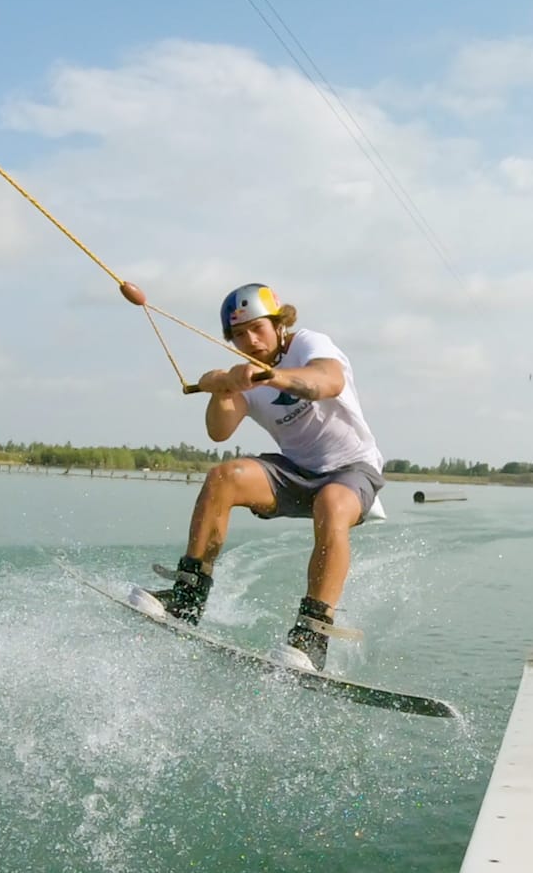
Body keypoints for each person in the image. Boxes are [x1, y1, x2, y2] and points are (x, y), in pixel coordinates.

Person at [146, 283, 385, 672]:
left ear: (279, 325)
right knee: (225, 476)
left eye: (258, 328)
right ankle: (187, 598)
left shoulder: (308, 344)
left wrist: (270, 377)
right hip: (294, 473)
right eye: (239, 335)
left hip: (352, 469)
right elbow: (218, 431)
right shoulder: (243, 374)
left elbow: (328, 382)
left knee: (331, 502)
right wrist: (222, 389)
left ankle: (312, 636)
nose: (250, 340)